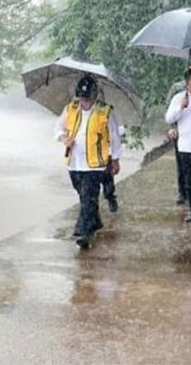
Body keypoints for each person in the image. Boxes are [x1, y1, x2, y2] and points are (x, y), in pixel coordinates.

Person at [56, 75, 123, 250]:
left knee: (88, 197)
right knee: (84, 197)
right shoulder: (70, 108)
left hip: (95, 165)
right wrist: (64, 138)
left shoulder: (105, 111)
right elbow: (58, 128)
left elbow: (115, 138)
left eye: (87, 98)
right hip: (74, 163)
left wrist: (115, 159)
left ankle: (82, 232)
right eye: (82, 98)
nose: (84, 102)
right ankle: (95, 222)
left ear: (95, 96)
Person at [165, 66, 191, 226]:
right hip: (184, 146)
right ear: (187, 82)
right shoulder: (178, 98)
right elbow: (169, 118)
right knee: (188, 181)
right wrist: (180, 107)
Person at [100, 125, 126, 213]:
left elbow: (117, 136)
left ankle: (110, 198)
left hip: (107, 156)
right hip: (91, 157)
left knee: (108, 183)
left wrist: (115, 160)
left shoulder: (108, 119)